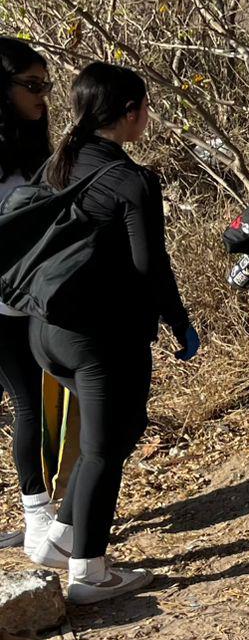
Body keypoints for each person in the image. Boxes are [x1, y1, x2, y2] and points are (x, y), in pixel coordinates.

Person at [25, 62, 200, 604]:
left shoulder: (56, 167)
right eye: (144, 108)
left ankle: (62, 538)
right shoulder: (131, 180)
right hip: (100, 337)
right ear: (130, 113)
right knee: (105, 446)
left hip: (46, 331)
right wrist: (180, 322)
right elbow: (150, 265)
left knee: (117, 432)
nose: (146, 118)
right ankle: (89, 573)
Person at [0, 38, 54, 551]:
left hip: (24, 298)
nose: (42, 97)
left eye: (47, 86)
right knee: (27, 401)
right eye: (32, 86)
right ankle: (38, 517)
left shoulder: (31, 151)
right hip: (4, 305)